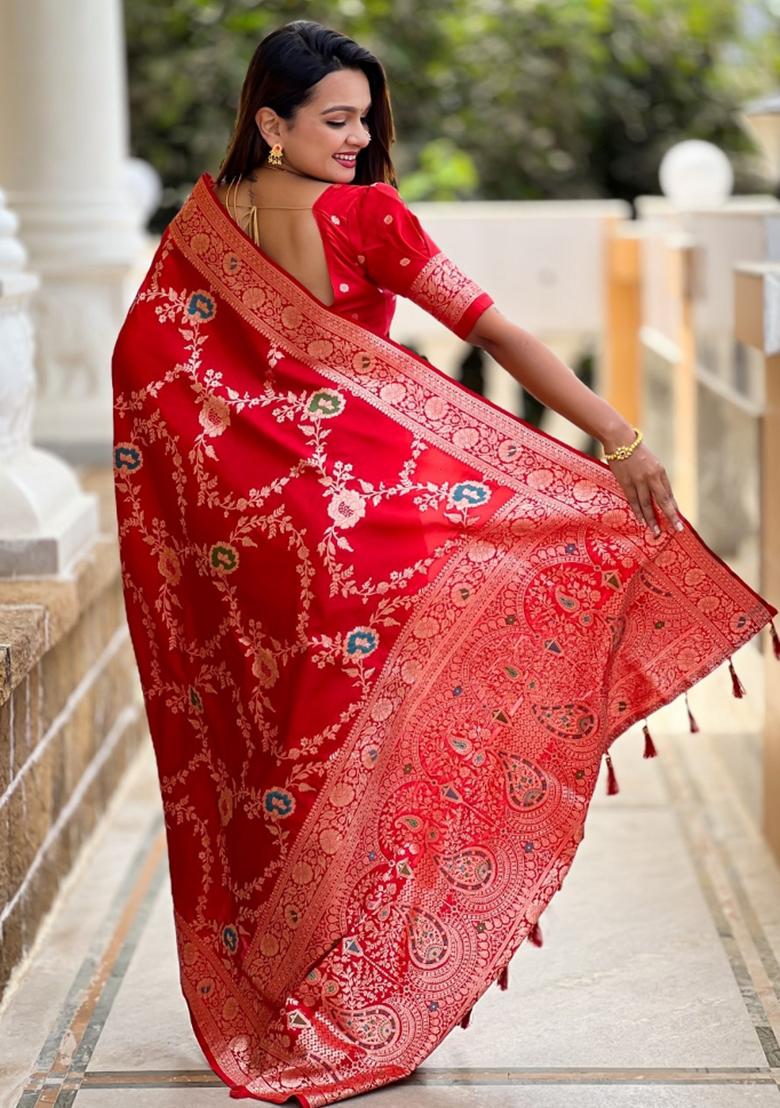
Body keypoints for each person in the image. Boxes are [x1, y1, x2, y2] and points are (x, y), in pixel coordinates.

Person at [111, 20, 778, 1107]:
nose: (360, 137)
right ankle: (348, 996)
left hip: (269, 561)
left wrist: (236, 497)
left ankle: (289, 998)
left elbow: (143, 365)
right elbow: (498, 331)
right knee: (380, 760)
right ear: (271, 124)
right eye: (336, 118)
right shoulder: (368, 216)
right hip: (381, 546)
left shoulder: (204, 224)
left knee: (286, 771)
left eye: (365, 118)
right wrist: (618, 438)